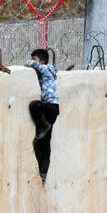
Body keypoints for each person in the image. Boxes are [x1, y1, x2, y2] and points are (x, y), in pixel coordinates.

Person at [26, 49, 59, 183]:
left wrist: (30, 63)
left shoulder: (45, 68)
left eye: (35, 58)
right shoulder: (52, 70)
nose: (33, 61)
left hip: (49, 106)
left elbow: (32, 65)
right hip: (54, 108)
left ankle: (43, 125)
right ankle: (43, 173)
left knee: (34, 105)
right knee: (45, 144)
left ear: (43, 61)